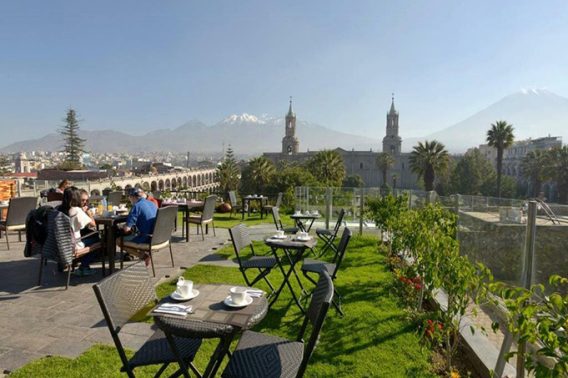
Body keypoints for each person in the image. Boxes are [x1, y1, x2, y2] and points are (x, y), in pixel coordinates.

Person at [59, 187, 99, 276]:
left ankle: (79, 265)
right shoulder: (76, 210)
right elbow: (93, 224)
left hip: (60, 246)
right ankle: (84, 267)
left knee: (91, 237)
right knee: (99, 241)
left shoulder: (58, 210)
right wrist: (89, 214)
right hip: (73, 246)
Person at [117, 187, 158, 265]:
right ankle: (142, 253)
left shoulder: (137, 206)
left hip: (146, 238)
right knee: (135, 233)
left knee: (119, 240)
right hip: (156, 237)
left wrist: (122, 227)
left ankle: (143, 256)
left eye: (129, 198)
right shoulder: (152, 203)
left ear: (132, 197)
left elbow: (127, 229)